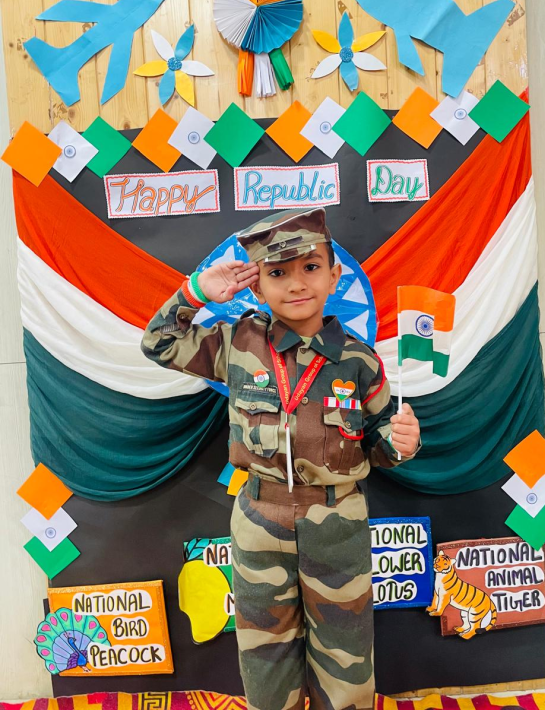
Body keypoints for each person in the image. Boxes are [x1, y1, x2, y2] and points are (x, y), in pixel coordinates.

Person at [141, 207, 420, 710]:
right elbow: (158, 343)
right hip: (258, 516)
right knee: (265, 658)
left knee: (347, 658)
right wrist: (198, 292)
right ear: (256, 287)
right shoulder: (237, 344)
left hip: (338, 521)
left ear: (335, 277)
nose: (296, 283)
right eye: (277, 272)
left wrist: (403, 443)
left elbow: (379, 446)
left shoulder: (359, 360)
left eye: (311, 267)